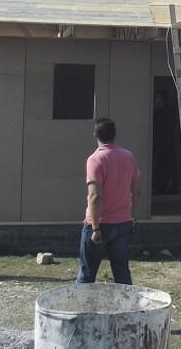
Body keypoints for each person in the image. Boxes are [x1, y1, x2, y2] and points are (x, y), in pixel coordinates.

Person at [77, 118, 142, 285]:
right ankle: (126, 302)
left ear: (95, 134)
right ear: (114, 134)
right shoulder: (128, 157)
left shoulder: (95, 159)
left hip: (100, 224)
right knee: (122, 274)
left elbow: (94, 195)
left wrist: (95, 227)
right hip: (123, 222)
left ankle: (82, 302)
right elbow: (136, 191)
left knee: (87, 275)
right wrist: (130, 214)